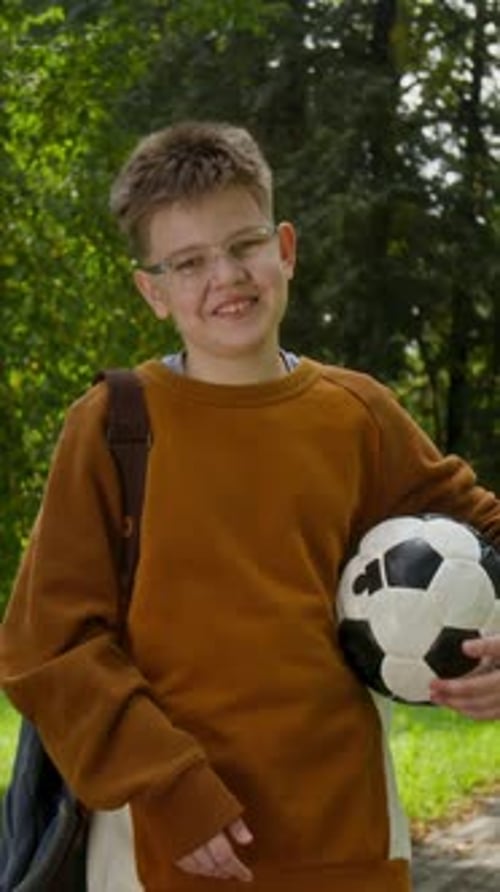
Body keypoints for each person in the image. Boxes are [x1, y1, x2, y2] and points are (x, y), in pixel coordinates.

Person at [1, 120, 500, 892]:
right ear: (153, 290)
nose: (225, 277)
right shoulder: (111, 425)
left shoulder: (357, 414)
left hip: (347, 835)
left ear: (286, 249)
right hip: (163, 844)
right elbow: (46, 645)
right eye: (189, 262)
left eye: (244, 246)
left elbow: (486, 532)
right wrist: (167, 785)